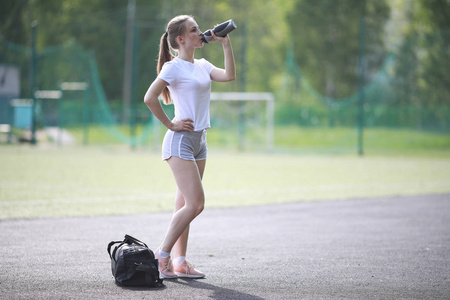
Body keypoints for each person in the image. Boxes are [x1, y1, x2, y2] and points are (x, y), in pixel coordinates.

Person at [143, 15, 235, 279]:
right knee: (196, 204)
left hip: (199, 141)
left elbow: (229, 76)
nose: (200, 32)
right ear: (180, 39)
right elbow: (149, 98)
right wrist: (170, 124)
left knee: (184, 205)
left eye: (199, 29)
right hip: (180, 141)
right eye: (194, 30)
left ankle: (180, 262)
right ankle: (162, 255)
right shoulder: (173, 68)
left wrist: (225, 44)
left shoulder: (203, 65)